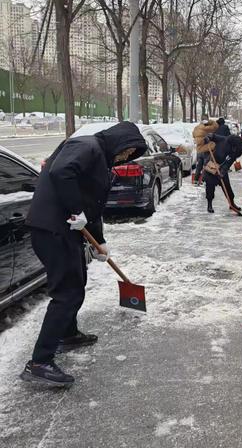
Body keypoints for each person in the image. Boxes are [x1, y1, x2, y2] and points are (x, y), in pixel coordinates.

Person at [21, 122, 147, 387]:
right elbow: (61, 172)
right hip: (52, 229)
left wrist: (99, 242)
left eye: (131, 155)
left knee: (77, 281)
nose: (126, 157)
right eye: (127, 151)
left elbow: (94, 207)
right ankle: (39, 362)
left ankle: (67, 335)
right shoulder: (87, 145)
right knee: (67, 293)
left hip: (64, 230)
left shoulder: (102, 161)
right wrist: (75, 210)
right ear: (119, 140)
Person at [202, 133, 242, 213]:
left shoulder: (235, 152)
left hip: (222, 169)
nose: (235, 149)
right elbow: (213, 136)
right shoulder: (223, 140)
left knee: (227, 187)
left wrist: (222, 172)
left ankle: (232, 203)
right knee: (210, 187)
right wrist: (208, 137)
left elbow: (228, 163)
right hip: (212, 166)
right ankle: (209, 205)